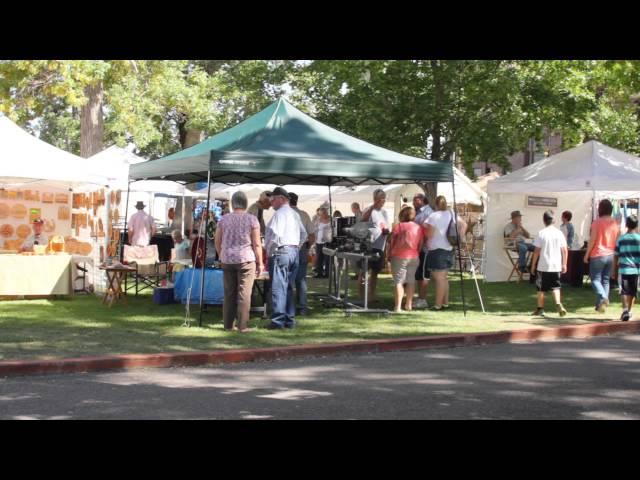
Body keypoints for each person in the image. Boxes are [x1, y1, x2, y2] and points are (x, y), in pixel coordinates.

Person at [215, 191, 263, 332]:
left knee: (229, 293)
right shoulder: (252, 219)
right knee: (244, 294)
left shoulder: (223, 219)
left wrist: (222, 253)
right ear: (246, 203)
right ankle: (242, 326)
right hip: (246, 259)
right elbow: (257, 244)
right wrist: (260, 263)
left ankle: (228, 325)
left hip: (227, 259)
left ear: (232, 203)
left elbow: (217, 240)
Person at [264, 186, 307, 329]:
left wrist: (268, 250)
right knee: (288, 286)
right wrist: (296, 247)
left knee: (278, 287)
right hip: (293, 251)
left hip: (281, 251)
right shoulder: (294, 214)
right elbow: (304, 234)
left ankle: (277, 321)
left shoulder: (280, 214)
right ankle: (289, 319)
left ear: (281, 199)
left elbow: (275, 235)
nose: (271, 202)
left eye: (273, 199)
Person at [424, 196, 467, 310]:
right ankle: (445, 302)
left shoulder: (434, 216)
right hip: (449, 248)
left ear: (436, 204)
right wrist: (459, 239)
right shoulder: (451, 214)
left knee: (439, 278)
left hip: (437, 249)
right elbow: (464, 225)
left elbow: (430, 234)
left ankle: (438, 305)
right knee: (444, 278)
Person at [584, 199, 621, 313]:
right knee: (605, 280)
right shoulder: (615, 223)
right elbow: (617, 240)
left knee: (595, 279)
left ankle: (603, 297)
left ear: (600, 209)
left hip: (598, 254)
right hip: (610, 254)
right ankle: (600, 305)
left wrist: (586, 254)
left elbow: (592, 240)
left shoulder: (597, 222)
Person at [530, 210, 568, 317]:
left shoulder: (541, 233)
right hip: (556, 265)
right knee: (556, 286)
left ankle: (540, 309)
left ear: (544, 221)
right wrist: (564, 263)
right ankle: (558, 304)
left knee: (541, 288)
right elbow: (565, 250)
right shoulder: (559, 233)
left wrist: (533, 265)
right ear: (554, 220)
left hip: (543, 265)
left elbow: (537, 251)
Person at [389, 206, 424, 312]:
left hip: (399, 256)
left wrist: (389, 254)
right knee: (411, 281)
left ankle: (398, 306)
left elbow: (391, 241)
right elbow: (421, 243)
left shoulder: (398, 226)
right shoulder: (418, 227)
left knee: (398, 281)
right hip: (414, 256)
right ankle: (409, 305)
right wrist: (416, 252)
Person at [359, 188, 391, 302]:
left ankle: (371, 296)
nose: (383, 200)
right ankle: (362, 297)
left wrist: (387, 232)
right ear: (375, 198)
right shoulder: (369, 209)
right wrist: (373, 206)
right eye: (380, 198)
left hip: (380, 245)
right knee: (364, 272)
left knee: (375, 273)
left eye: (384, 198)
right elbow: (363, 220)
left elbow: (386, 226)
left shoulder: (385, 212)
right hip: (368, 245)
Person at [289, 192, 316, 316]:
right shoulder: (304, 214)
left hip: (288, 248)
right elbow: (312, 235)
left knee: (287, 279)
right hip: (301, 249)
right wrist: (307, 247)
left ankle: (288, 307)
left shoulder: (284, 214)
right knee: (301, 280)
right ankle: (302, 307)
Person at [613, 215, 640, 322]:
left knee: (624, 291)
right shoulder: (639, 239)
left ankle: (625, 310)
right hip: (636, 270)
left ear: (626, 225)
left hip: (623, 269)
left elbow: (615, 255)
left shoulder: (621, 239)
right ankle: (628, 311)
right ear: (636, 225)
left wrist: (614, 271)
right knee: (632, 292)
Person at [412, 193, 434, 309]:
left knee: (425, 274)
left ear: (421, 200)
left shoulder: (428, 212)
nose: (413, 203)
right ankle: (419, 298)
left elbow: (426, 232)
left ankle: (423, 299)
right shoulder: (420, 212)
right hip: (419, 248)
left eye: (415, 200)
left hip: (425, 248)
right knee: (419, 274)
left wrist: (420, 245)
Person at [314, 203, 332, 278]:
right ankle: (319, 273)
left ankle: (327, 273)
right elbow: (315, 229)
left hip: (327, 241)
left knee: (327, 258)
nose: (322, 214)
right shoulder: (318, 220)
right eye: (321, 213)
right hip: (319, 242)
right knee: (319, 258)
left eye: (324, 212)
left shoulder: (331, 219)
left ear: (326, 212)